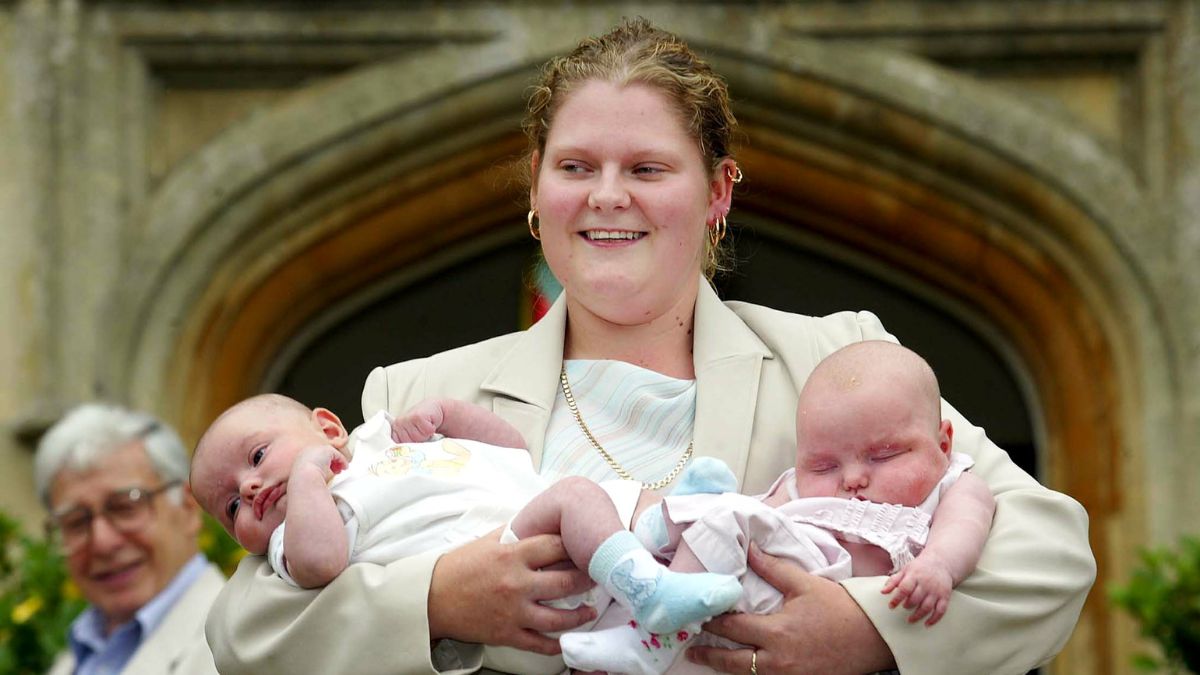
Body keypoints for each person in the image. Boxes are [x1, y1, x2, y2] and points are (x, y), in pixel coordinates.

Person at [206, 17, 1095, 675]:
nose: (606, 197)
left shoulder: (840, 355)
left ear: (717, 192)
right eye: (576, 167)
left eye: (647, 169)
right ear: (536, 189)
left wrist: (864, 631)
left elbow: (1048, 552)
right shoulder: (417, 395)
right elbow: (246, 628)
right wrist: (437, 600)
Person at [560, 340, 996, 674]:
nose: (852, 479)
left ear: (942, 444)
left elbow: (967, 524)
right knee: (724, 518)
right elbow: (767, 514)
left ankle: (651, 635)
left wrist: (939, 565)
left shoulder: (954, 484)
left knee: (729, 516)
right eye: (823, 465)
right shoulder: (799, 490)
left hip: (817, 586)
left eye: (883, 456)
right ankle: (662, 543)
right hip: (739, 594)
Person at [190, 393, 740, 634]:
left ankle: (669, 521)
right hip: (504, 565)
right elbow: (322, 563)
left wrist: (450, 413)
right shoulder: (297, 535)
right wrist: (308, 477)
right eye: (232, 505)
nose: (251, 486)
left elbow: (511, 453)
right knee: (575, 496)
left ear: (330, 429)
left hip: (532, 517)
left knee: (592, 497)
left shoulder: (385, 443)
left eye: (258, 457)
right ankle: (651, 588)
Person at [34, 403, 224, 675]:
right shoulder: (74, 658)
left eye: (125, 507)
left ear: (188, 508)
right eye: (75, 522)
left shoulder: (249, 643)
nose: (102, 542)